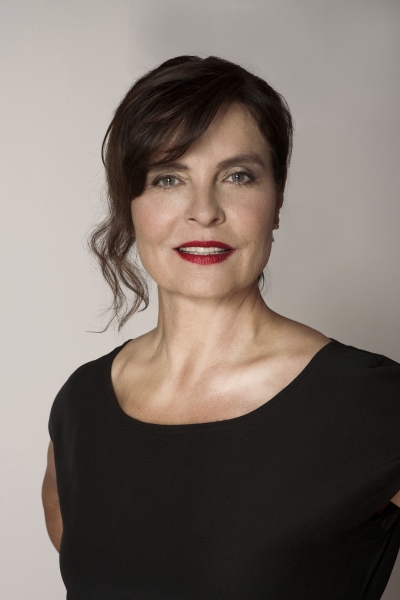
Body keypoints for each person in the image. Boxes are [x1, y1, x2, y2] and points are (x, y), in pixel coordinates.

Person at [42, 55, 400, 599]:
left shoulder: (372, 402)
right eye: (168, 178)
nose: (204, 211)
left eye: (238, 176)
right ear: (130, 206)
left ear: (276, 201)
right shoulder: (80, 407)